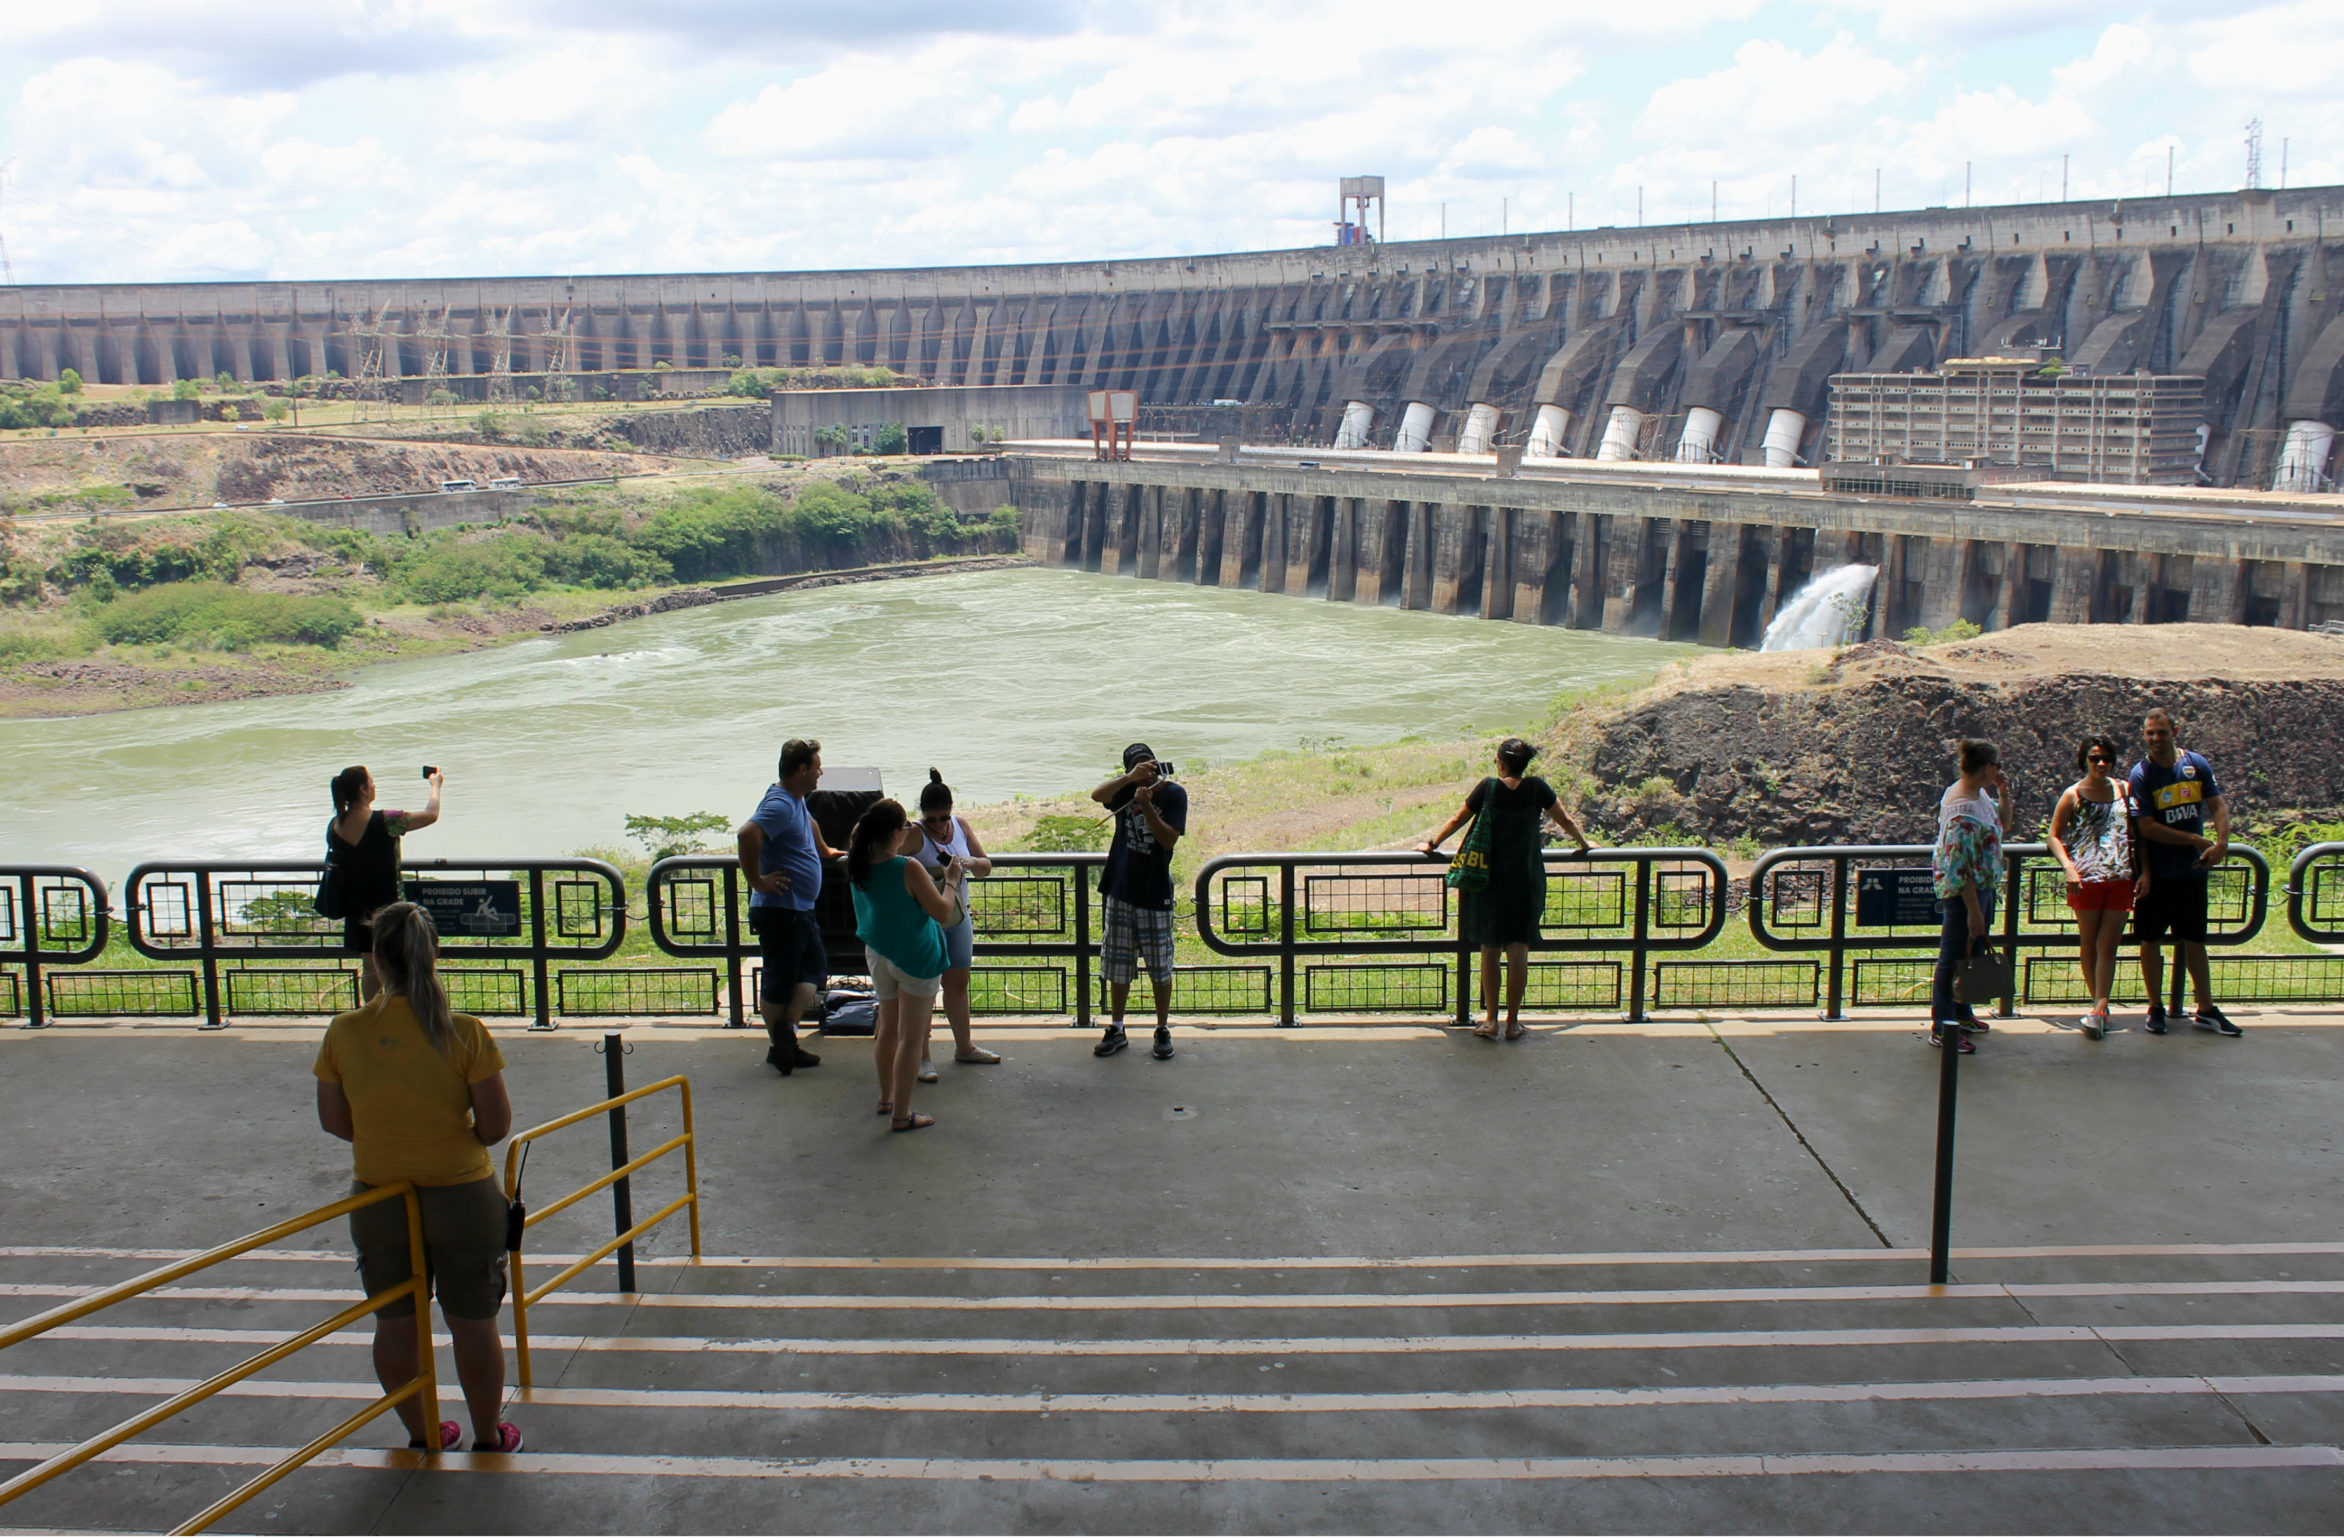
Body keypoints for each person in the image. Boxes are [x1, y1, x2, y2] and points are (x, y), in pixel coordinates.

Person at [313, 901, 521, 1455]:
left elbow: (336, 1123)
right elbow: (496, 1127)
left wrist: (392, 1140)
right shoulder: (465, 1032)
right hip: (463, 1197)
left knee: (396, 1324)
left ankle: (424, 1433)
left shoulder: (345, 1031)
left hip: (379, 1198)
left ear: (376, 959)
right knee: (474, 1324)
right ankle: (488, 1435)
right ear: (435, 957)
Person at [1418, 737, 1592, 1039]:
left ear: (1500, 761)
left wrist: (1432, 844)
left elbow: (1459, 819)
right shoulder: (1537, 788)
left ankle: (1491, 1021)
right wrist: (1585, 844)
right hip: (1525, 880)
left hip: (1488, 882)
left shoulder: (1489, 787)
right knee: (1518, 951)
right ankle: (1513, 1023)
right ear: (1525, 764)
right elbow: (1564, 818)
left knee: (1490, 950)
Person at [847, 799, 961, 1132]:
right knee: (912, 1038)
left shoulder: (858, 862)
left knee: (887, 1028)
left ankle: (886, 1099)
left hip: (879, 953)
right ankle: (902, 1114)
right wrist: (951, 880)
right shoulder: (907, 867)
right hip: (915, 956)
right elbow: (941, 912)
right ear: (896, 833)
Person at [2128, 707, 2239, 1036]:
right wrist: (2194, 838)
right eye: (2150, 733)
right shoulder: (2142, 774)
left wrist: (2221, 842)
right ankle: (2155, 1007)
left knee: (2195, 940)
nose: (2156, 738)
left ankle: (2205, 1008)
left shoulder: (2196, 764)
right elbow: (2145, 828)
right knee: (2150, 940)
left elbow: (2216, 804)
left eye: (2161, 732)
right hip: (2158, 873)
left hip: (2192, 871)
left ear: (2175, 731)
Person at [736, 739, 840, 1076]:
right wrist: (757, 880)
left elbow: (807, 824)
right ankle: (779, 1044)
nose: (820, 772)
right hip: (780, 909)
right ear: (800, 769)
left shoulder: (795, 800)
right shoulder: (780, 804)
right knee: (780, 980)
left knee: (814, 970)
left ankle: (785, 1037)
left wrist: (825, 851)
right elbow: (747, 834)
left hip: (798, 908)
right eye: (816, 766)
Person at [1091, 743, 1189, 1060]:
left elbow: (1168, 839)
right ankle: (1117, 1027)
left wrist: (1147, 806)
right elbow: (1097, 795)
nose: (1144, 775)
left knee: (1160, 965)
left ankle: (1162, 1029)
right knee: (1118, 963)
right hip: (1120, 889)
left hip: (1154, 890)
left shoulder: (1174, 795)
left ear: (1157, 764)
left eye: (1148, 767)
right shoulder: (1125, 790)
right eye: (1137, 768)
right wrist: (1128, 780)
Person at [912, 769, 1002, 1083]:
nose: (938, 826)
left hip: (958, 918)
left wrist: (969, 864)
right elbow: (888, 862)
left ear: (952, 811)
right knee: (923, 990)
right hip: (925, 921)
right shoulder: (913, 833)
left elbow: (986, 865)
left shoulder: (961, 826)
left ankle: (964, 1047)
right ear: (922, 814)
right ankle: (922, 1057)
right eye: (931, 819)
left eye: (943, 818)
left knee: (958, 984)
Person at [2048, 735, 2137, 1041]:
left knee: (2108, 944)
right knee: (2089, 943)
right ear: (2083, 761)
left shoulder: (2125, 790)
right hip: (2086, 879)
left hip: (2121, 876)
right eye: (2094, 758)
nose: (2101, 763)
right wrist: (2068, 867)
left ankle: (2099, 1007)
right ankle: (2098, 1003)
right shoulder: (2073, 795)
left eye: (2106, 758)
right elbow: (2054, 836)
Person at [327, 766, 442, 1001]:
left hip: (356, 909)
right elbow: (430, 815)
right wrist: (435, 785)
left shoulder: (336, 825)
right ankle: (401, 1014)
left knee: (371, 970)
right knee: (401, 967)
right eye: (371, 782)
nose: (374, 786)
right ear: (363, 789)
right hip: (389, 908)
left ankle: (373, 1016)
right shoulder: (387, 820)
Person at [1929, 739, 2006, 1055]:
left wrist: (2005, 793)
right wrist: (1973, 911)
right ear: (1987, 767)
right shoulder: (1962, 808)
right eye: (1996, 766)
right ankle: (1943, 1025)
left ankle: (1961, 1012)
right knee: (1953, 956)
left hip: (1983, 887)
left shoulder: (1980, 794)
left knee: (1971, 952)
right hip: (1965, 894)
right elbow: (1960, 868)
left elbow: (2004, 825)